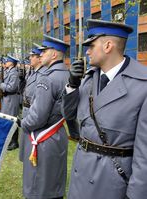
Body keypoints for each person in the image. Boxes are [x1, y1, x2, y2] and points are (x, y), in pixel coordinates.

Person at [61, 19, 147, 199]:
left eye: (91, 45)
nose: (87, 51)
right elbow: (69, 116)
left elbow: (144, 155)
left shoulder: (142, 85)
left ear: (108, 46)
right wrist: (72, 86)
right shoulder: (89, 78)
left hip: (111, 181)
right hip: (81, 172)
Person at [20, 35, 69, 199]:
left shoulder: (47, 78)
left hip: (43, 138)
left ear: (54, 54)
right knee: (54, 184)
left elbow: (37, 117)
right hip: (58, 134)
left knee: (38, 187)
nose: (41, 54)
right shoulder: (68, 75)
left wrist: (23, 124)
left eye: (45, 51)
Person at [0, 55, 20, 150]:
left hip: (11, 98)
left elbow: (11, 88)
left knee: (12, 119)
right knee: (7, 119)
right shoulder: (8, 71)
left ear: (11, 63)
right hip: (6, 98)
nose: (5, 62)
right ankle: (10, 140)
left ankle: (14, 142)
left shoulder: (14, 73)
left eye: (7, 61)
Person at [19, 44, 43, 162]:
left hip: (32, 111)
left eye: (33, 56)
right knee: (26, 142)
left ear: (39, 58)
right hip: (26, 110)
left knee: (30, 141)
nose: (30, 58)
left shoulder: (42, 75)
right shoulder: (33, 72)